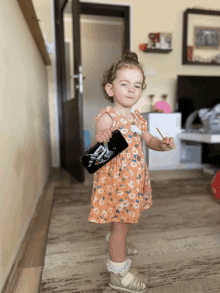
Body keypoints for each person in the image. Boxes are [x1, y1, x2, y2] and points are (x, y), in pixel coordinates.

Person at [88, 51, 176, 292]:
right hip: (115, 184)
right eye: (124, 84)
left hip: (133, 181)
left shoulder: (138, 119)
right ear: (110, 89)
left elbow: (150, 141)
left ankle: (118, 243)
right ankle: (118, 274)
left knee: (125, 221)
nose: (131, 90)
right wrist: (102, 136)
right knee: (120, 224)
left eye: (137, 85)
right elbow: (99, 141)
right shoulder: (108, 116)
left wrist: (162, 144)